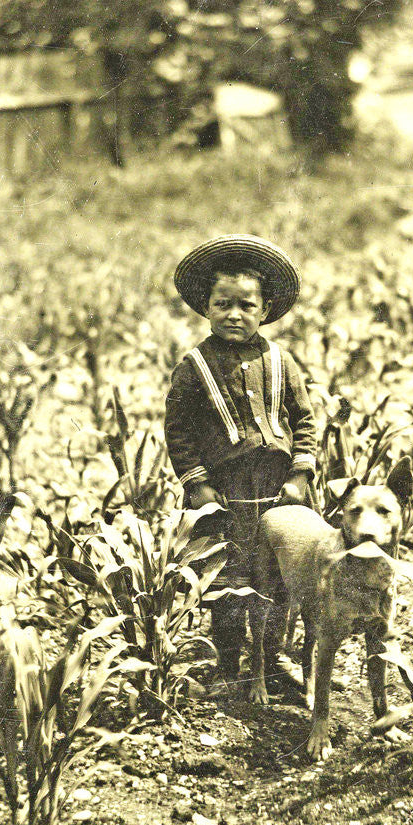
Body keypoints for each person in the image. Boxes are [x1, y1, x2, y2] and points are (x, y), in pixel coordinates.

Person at [165, 234, 317, 687]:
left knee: (276, 575)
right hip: (224, 490)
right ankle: (229, 666)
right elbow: (178, 429)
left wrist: (301, 471)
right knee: (224, 573)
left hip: (278, 486)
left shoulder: (281, 360)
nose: (235, 314)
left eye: (246, 306)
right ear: (206, 307)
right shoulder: (193, 365)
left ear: (264, 310)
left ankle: (271, 661)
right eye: (223, 303)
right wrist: (197, 484)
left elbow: (304, 418)